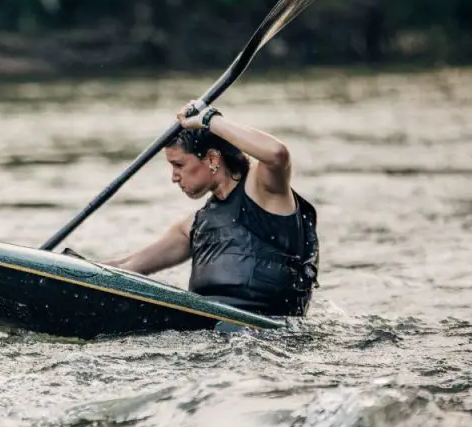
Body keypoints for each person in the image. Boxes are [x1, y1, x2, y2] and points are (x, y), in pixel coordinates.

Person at [104, 101, 319, 317]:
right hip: (212, 334)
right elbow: (127, 266)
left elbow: (277, 153)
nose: (174, 177)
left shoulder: (264, 190)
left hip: (271, 336)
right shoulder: (193, 225)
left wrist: (210, 119)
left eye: (179, 165)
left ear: (212, 159)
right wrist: (76, 267)